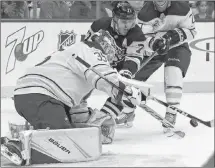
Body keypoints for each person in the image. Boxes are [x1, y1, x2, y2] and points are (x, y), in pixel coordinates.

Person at [1, 30, 144, 166]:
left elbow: (76, 100)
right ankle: (16, 145)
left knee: (64, 135)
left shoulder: (74, 51)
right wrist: (126, 92)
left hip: (34, 94)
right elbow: (101, 75)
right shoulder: (92, 49)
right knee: (63, 142)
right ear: (106, 45)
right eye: (112, 51)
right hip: (41, 95)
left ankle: (22, 136)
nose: (113, 57)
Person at [136, 1, 197, 133]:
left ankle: (171, 111)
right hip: (154, 49)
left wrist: (174, 35)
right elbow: (141, 36)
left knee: (173, 71)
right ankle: (127, 110)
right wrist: (153, 43)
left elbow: (192, 31)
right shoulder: (144, 12)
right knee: (134, 76)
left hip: (177, 46)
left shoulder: (182, 8)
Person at [84, 1, 148, 128]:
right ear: (114, 19)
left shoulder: (136, 34)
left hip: (122, 65)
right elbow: (86, 47)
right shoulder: (99, 25)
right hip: (100, 61)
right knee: (83, 80)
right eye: (124, 22)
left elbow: (134, 58)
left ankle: (105, 119)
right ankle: (75, 108)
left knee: (123, 90)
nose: (128, 25)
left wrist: (126, 73)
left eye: (131, 21)